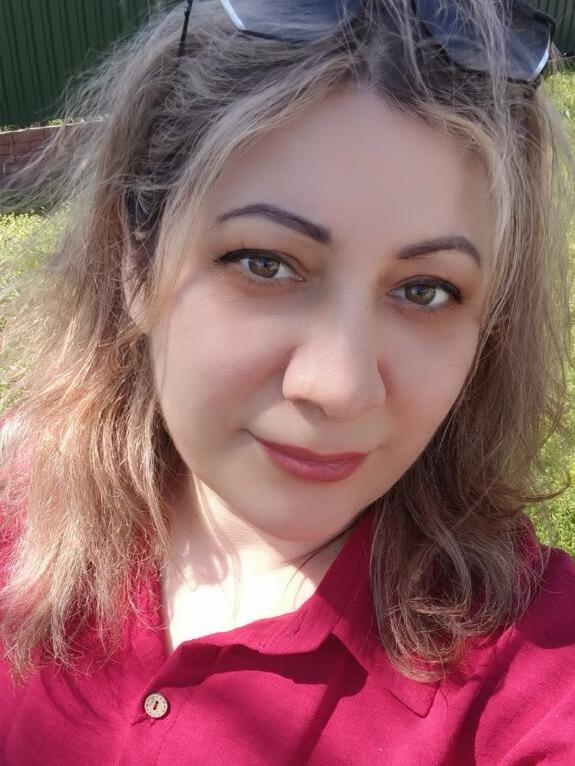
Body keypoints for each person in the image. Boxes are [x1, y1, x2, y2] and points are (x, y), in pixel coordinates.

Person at [0, 0, 574, 763]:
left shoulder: (534, 671)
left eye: (425, 290)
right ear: (134, 263)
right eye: (264, 264)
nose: (339, 387)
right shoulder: (17, 510)